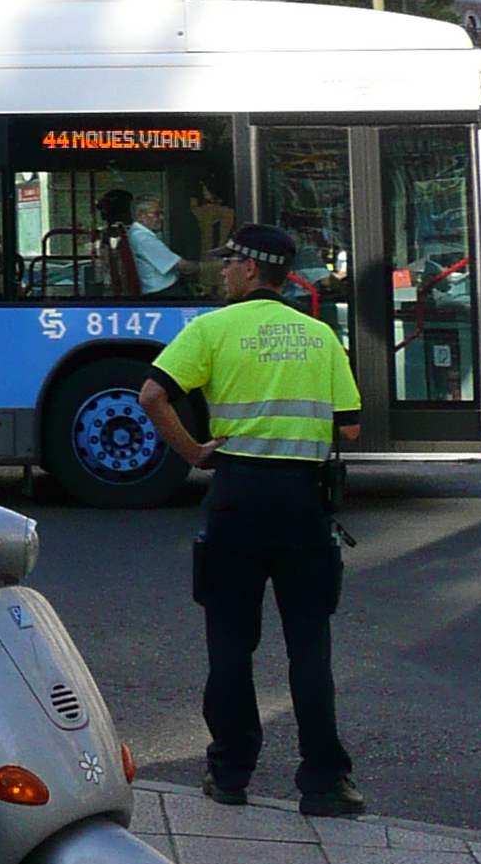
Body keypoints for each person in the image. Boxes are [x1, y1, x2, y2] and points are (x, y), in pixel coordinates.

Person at [137, 220, 366, 819]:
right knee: (310, 649)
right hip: (303, 503)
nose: (222, 271)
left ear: (249, 269)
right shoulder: (319, 336)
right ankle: (323, 784)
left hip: (237, 496)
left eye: (228, 262)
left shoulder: (212, 329)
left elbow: (151, 396)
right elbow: (350, 427)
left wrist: (191, 452)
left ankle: (230, 773)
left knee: (231, 646)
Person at [126, 193, 187, 298]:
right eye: (157, 213)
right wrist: (204, 267)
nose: (162, 218)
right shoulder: (142, 237)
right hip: (164, 292)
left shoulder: (137, 233)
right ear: (141, 215)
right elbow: (180, 266)